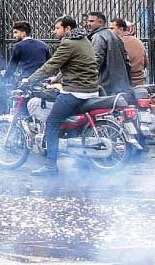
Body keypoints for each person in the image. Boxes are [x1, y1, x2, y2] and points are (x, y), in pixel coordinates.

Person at [25, 15, 100, 176]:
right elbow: (74, 64)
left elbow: (51, 64)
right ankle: (81, 156)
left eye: (57, 28)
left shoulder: (69, 43)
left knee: (52, 122)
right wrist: (57, 79)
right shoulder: (84, 40)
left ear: (68, 29)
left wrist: (30, 79)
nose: (55, 31)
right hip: (91, 89)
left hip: (76, 91)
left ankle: (51, 167)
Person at [85, 11, 131, 96]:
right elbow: (126, 60)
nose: (88, 24)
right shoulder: (115, 35)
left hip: (106, 83)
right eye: (88, 21)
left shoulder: (98, 36)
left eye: (91, 21)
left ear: (100, 22)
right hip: (120, 83)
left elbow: (96, 60)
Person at [109, 18, 147, 87]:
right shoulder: (138, 41)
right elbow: (145, 63)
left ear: (121, 29)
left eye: (112, 28)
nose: (109, 31)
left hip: (123, 85)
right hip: (140, 83)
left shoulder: (116, 43)